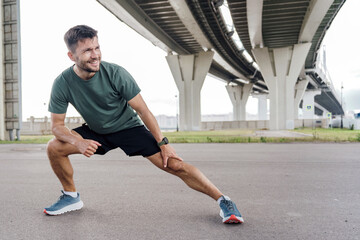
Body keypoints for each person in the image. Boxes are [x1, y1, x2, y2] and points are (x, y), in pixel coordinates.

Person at [44, 25, 243, 224]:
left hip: (128, 128)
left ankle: (224, 201)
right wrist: (77, 141)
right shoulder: (62, 83)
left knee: (174, 165)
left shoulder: (115, 73)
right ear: (71, 56)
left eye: (97, 48)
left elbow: (143, 111)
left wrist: (164, 143)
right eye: (87, 50)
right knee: (54, 147)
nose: (95, 55)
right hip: (96, 131)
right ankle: (71, 198)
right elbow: (57, 126)